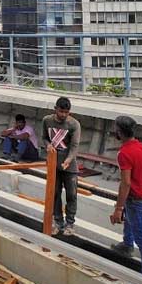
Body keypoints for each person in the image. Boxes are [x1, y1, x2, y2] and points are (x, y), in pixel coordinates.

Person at [109, 115, 142, 284]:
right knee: (131, 218)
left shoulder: (124, 153)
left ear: (119, 132)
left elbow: (126, 183)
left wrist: (118, 208)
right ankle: (127, 245)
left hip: (137, 199)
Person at [41, 97, 81, 236]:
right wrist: (48, 145)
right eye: (61, 111)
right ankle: (58, 221)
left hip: (69, 165)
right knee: (55, 193)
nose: (63, 115)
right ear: (55, 109)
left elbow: (75, 145)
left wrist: (69, 160)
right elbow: (45, 138)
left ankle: (70, 223)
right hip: (53, 163)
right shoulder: (47, 120)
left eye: (66, 112)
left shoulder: (74, 124)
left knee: (71, 194)